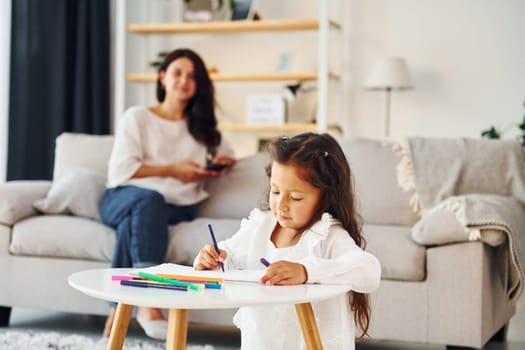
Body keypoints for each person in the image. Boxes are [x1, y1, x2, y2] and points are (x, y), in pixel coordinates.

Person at [194, 132, 381, 350]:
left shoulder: (327, 234)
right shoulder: (260, 226)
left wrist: (305, 271)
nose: (281, 205)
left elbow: (369, 270)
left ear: (325, 196)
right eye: (275, 191)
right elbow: (229, 254)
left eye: (295, 198)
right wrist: (213, 259)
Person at [100, 48, 236, 339]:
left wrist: (223, 163)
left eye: (192, 76)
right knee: (148, 202)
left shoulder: (203, 129)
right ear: (162, 77)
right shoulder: (137, 117)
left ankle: (116, 311)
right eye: (177, 73)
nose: (184, 81)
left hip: (177, 205)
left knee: (136, 223)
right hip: (124, 198)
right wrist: (173, 170)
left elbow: (226, 154)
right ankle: (150, 301)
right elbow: (121, 171)